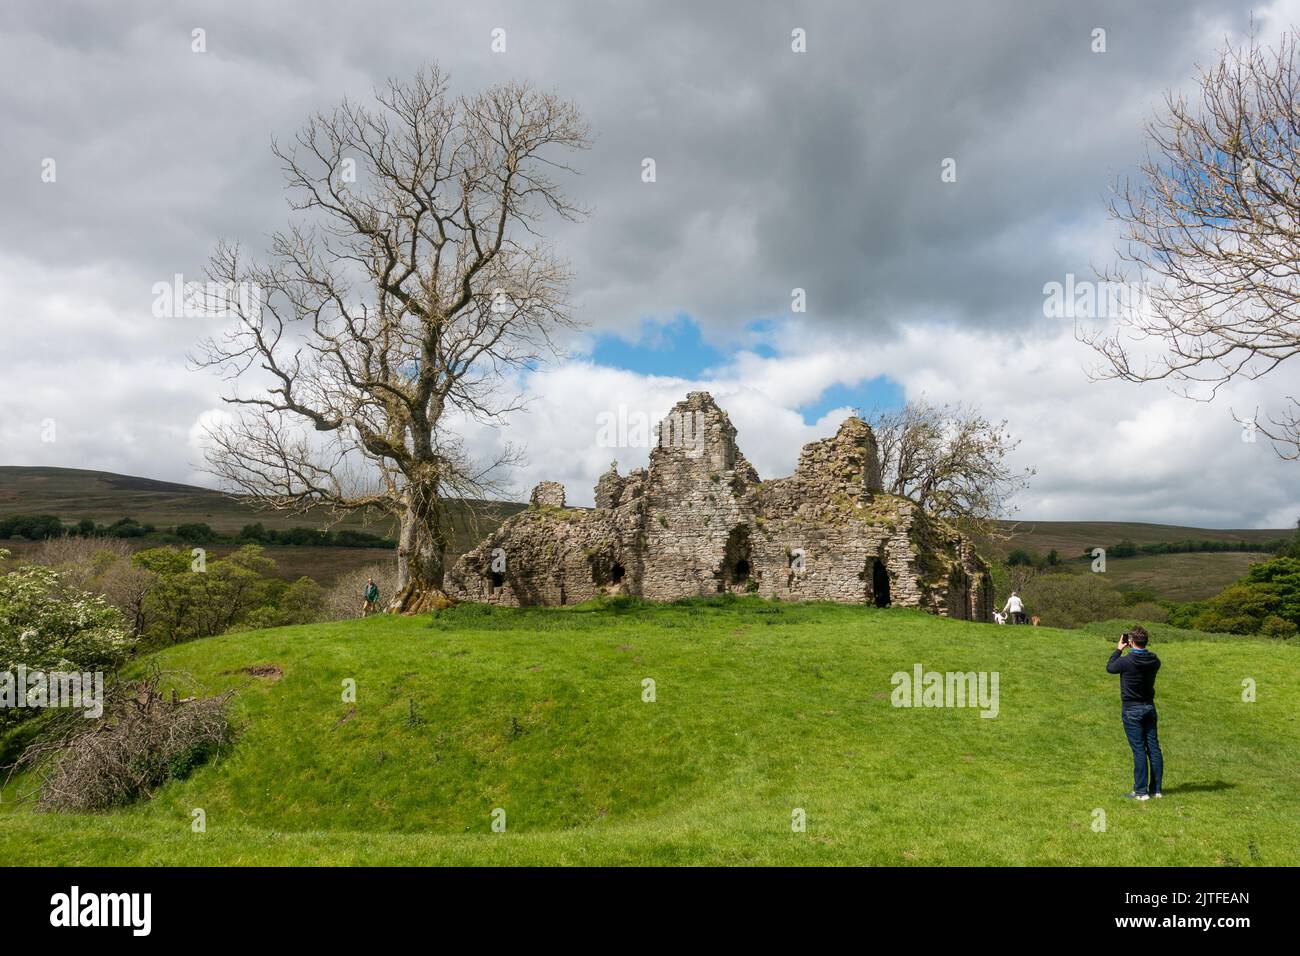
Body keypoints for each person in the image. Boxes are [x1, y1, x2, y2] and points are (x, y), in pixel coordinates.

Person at [1106, 625, 1163, 800]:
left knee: (1138, 749)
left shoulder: (1126, 661)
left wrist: (1118, 649)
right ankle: (1156, 789)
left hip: (1132, 708)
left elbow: (1110, 667)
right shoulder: (1154, 660)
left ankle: (1140, 792)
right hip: (1149, 707)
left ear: (1131, 642)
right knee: (1153, 748)